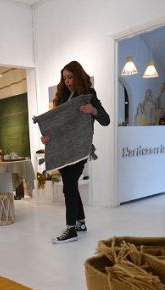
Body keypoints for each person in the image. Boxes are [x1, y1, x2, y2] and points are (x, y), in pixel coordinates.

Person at [42, 61, 110, 244]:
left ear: (78, 76)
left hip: (80, 149)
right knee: (71, 186)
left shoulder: (89, 95)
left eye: (70, 77)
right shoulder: (62, 98)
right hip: (63, 150)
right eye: (64, 78)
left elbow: (106, 120)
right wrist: (47, 137)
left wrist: (92, 110)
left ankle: (71, 229)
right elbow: (58, 125)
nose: (67, 81)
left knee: (69, 186)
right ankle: (81, 223)